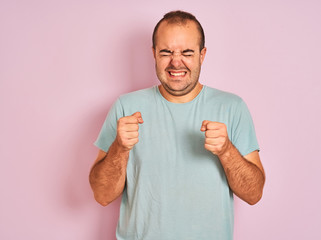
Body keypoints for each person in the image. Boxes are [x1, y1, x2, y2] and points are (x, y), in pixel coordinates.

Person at [89, 10, 265, 240]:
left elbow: (254, 194)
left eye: (187, 52)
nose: (176, 61)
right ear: (154, 54)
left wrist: (226, 151)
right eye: (166, 52)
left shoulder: (232, 107)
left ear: (202, 55)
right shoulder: (125, 107)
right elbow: (102, 195)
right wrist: (120, 148)